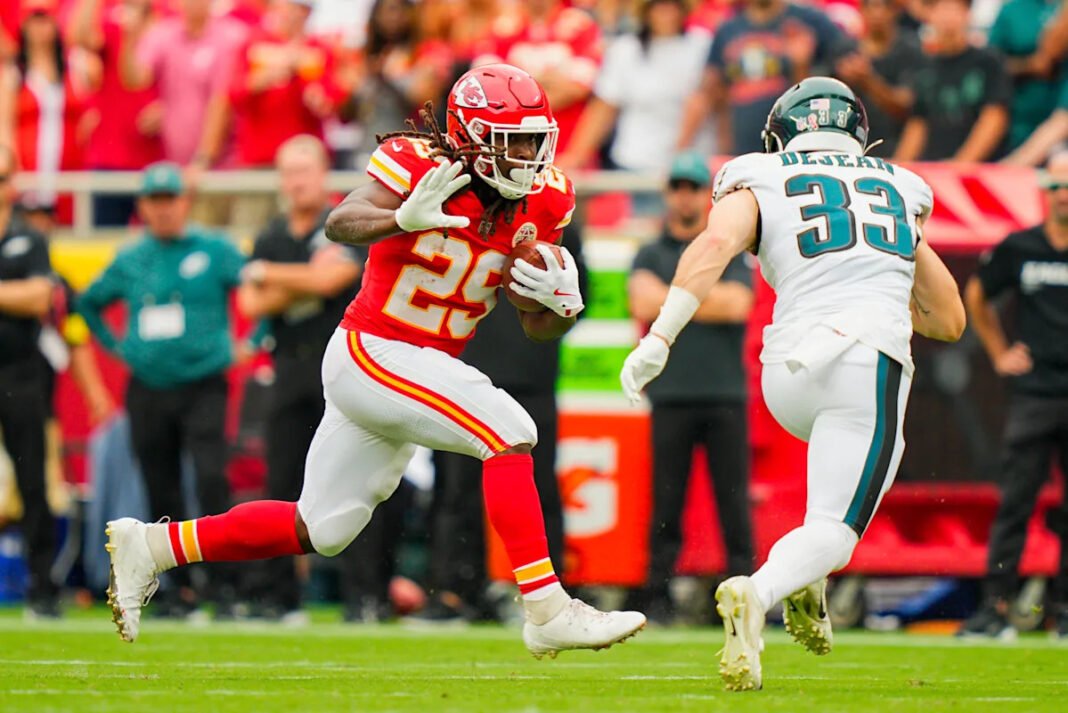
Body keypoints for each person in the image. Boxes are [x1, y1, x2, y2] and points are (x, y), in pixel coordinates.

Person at [103, 64, 646, 655]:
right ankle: (547, 609)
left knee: (324, 526)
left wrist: (560, 306)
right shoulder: (419, 166)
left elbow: (539, 328)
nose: (525, 156)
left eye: (533, 141)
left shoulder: (546, 198)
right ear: (469, 136)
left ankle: (152, 548)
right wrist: (400, 219)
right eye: (509, 141)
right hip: (375, 351)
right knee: (510, 431)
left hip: (420, 367)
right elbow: (340, 222)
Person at [621, 77, 966, 690]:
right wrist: (882, 280)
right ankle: (760, 591)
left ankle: (809, 578)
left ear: (782, 133)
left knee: (824, 509)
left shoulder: (759, 173)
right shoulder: (899, 185)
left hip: (786, 373)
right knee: (839, 525)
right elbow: (949, 320)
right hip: (866, 361)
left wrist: (659, 338)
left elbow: (716, 242)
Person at [79, 161, 246, 618]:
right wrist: (120, 348)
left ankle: (224, 585)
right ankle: (178, 589)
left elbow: (257, 288)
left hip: (204, 382)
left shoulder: (214, 249)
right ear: (143, 206)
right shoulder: (132, 257)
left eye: (170, 198)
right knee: (160, 488)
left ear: (184, 202)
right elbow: (89, 303)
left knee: (211, 480)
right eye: (155, 200)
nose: (163, 208)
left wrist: (254, 340)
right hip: (149, 385)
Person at [236, 134, 365, 621]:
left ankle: (363, 596)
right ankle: (278, 596)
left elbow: (332, 280)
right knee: (281, 480)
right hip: (288, 366)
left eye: (304, 171)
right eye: (288, 172)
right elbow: (250, 304)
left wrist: (268, 273)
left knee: (355, 479)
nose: (296, 182)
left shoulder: (344, 221)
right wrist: (301, 277)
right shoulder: (272, 233)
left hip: (342, 365)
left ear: (323, 172)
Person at [624, 151, 755, 624]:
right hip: (673, 396)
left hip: (724, 396)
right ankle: (655, 595)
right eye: (678, 187)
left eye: (693, 187)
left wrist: (672, 299)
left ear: (706, 195)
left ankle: (746, 594)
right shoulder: (650, 252)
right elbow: (640, 302)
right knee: (666, 502)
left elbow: (738, 305)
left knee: (734, 504)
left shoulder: (725, 248)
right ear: (668, 193)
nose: (685, 196)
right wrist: (703, 298)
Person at [957, 154, 1068, 641]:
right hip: (1035, 394)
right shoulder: (1020, 247)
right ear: (1044, 191)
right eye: (1056, 186)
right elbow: (977, 294)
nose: (1064, 195)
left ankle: (1064, 612)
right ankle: (995, 608)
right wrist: (1000, 352)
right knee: (1015, 504)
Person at [675, 0, 848, 156]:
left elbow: (848, 74)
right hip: (741, 150)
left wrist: (801, 67)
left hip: (795, 149)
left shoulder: (809, 21)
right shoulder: (727, 30)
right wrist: (684, 151)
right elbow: (710, 92)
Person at [0, 144, 57, 618]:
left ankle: (43, 587)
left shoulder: (28, 237)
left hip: (18, 371)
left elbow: (40, 297)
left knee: (32, 479)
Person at [559, 0, 710, 174]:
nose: (666, 11)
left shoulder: (702, 45)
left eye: (672, 4)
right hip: (634, 161)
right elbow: (604, 107)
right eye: (658, 5)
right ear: (646, 10)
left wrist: (679, 155)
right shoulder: (626, 49)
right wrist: (576, 156)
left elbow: (704, 103)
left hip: (690, 168)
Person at [893, 0, 1011, 162]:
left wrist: (960, 164)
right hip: (932, 165)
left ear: (968, 13)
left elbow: (994, 117)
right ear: (929, 14)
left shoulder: (988, 61)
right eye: (942, 9)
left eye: (955, 9)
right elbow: (918, 122)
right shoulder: (923, 65)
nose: (948, 17)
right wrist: (899, 166)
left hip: (979, 169)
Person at [833, 0, 925, 158]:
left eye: (884, 6)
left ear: (895, 11)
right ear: (862, 10)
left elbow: (908, 107)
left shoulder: (911, 50)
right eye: (871, 6)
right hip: (850, 149)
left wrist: (868, 80)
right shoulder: (843, 50)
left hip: (895, 146)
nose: (877, 13)